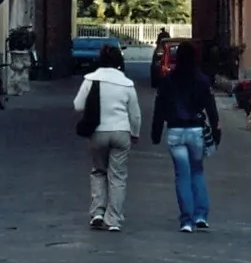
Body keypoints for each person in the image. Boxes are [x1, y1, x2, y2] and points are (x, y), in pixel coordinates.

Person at [151, 39, 221, 232]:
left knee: (182, 175)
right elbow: (211, 109)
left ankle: (186, 220)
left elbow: (159, 108)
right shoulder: (202, 80)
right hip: (196, 131)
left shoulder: (168, 80)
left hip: (175, 130)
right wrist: (216, 132)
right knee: (197, 172)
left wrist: (156, 133)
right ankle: (201, 215)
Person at [73, 43, 141, 232]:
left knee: (98, 171)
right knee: (118, 176)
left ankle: (97, 212)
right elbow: (135, 114)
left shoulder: (90, 79)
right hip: (121, 132)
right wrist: (135, 133)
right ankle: (114, 219)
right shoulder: (127, 83)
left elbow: (78, 105)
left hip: (98, 132)